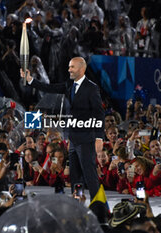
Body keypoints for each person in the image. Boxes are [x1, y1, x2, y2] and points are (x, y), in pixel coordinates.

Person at [20, 57, 105, 199]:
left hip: (86, 139)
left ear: (81, 69)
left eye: (72, 67)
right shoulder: (69, 84)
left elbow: (99, 113)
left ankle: (99, 205)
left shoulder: (91, 88)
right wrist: (30, 80)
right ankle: (77, 202)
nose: (69, 69)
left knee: (90, 174)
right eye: (69, 66)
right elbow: (50, 88)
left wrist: (99, 137)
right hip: (73, 138)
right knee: (74, 175)